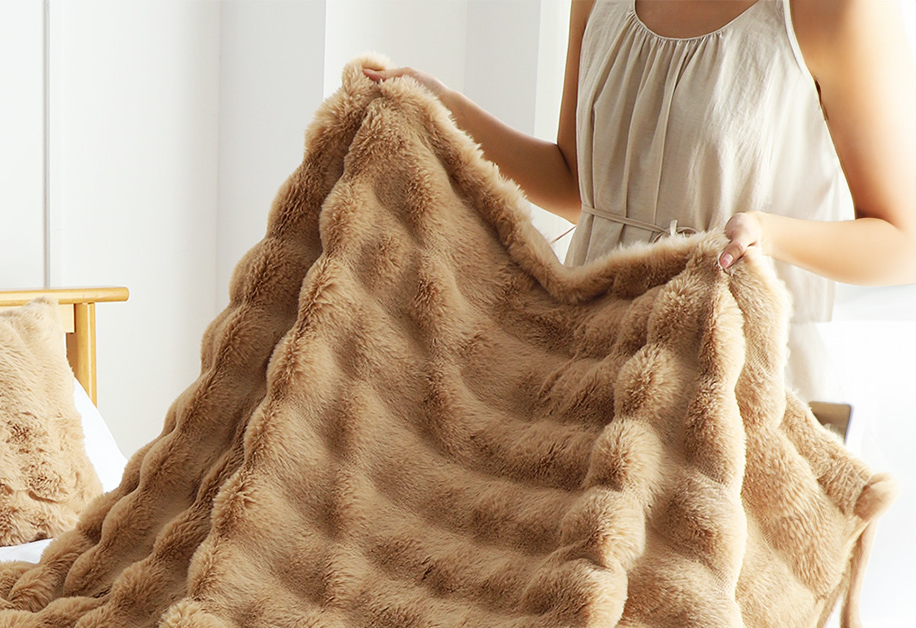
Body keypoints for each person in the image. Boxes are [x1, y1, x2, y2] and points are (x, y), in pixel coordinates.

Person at [363, 0, 916, 404]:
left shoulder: (836, 11)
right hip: (590, 353)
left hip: (736, 379)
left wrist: (768, 234)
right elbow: (579, 188)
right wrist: (446, 108)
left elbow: (902, 241)